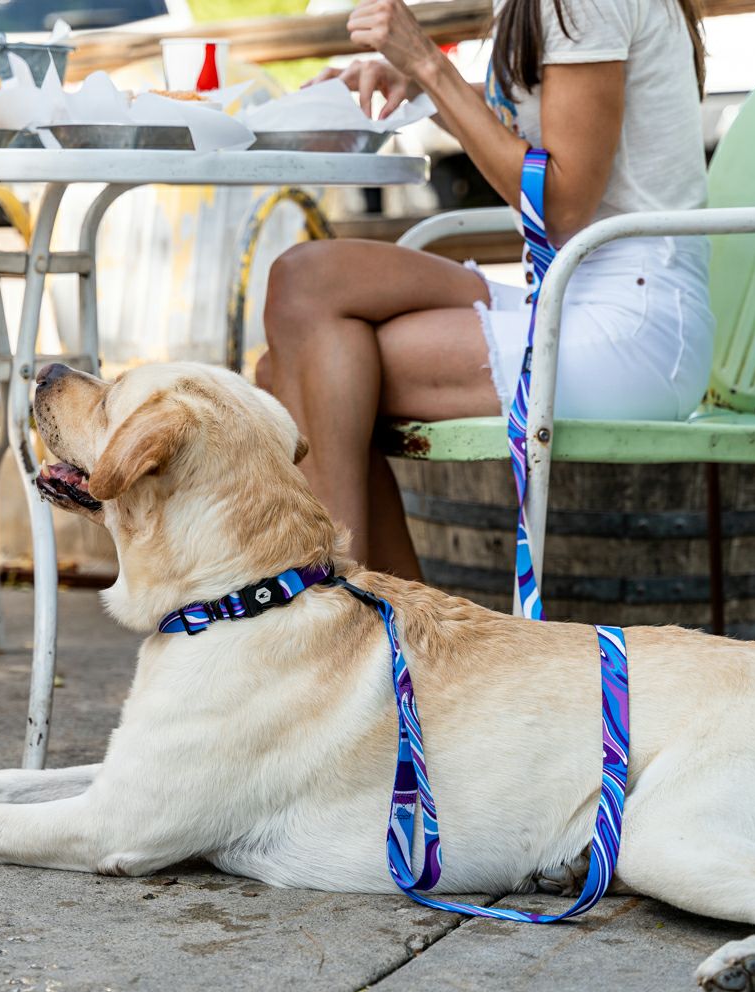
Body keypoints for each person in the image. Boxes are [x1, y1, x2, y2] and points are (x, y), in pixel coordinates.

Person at [256, 0, 715, 579]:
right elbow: (549, 114)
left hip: (632, 324)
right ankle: (373, 609)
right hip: (567, 290)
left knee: (301, 373)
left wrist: (428, 65)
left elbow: (561, 206)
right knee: (306, 279)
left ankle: (341, 603)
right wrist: (417, 84)